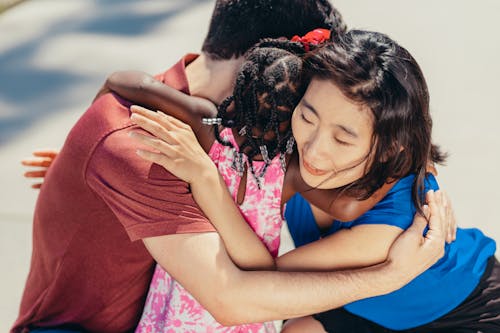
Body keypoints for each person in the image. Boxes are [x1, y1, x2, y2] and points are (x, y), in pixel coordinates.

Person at [14, 2, 450, 333]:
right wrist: (392, 274)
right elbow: (231, 297)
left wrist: (422, 185)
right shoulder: (147, 140)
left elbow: (359, 173)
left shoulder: (252, 131)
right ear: (266, 67)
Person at [127, 30, 498, 332]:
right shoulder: (298, 127)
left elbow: (263, 280)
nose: (314, 152)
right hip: (369, 311)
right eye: (308, 116)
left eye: (343, 138)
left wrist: (206, 181)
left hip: (467, 313)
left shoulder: (392, 229)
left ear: (389, 147)